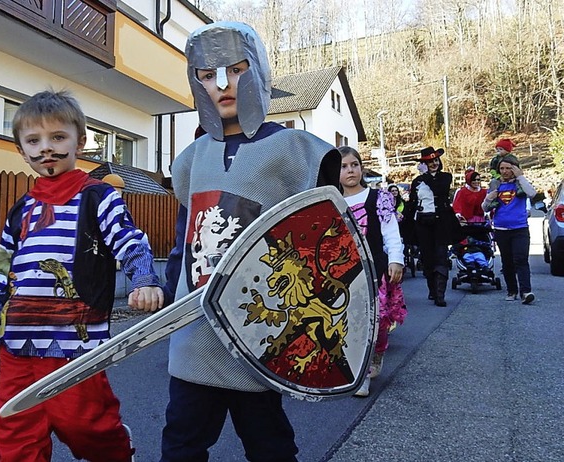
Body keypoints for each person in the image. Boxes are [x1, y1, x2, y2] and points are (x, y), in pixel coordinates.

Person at [160, 22, 341, 462]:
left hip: (260, 328)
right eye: (206, 75)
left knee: (269, 445)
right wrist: (167, 295)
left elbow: (323, 246)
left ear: (257, 71)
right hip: (195, 327)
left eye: (236, 69)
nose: (221, 85)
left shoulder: (295, 150)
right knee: (181, 443)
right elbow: (186, 240)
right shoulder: (190, 159)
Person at [0, 90, 164, 462]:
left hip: (74, 343)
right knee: (14, 432)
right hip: (19, 344)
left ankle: (117, 448)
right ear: (21, 150)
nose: (46, 148)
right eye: (34, 140)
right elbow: (4, 272)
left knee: (85, 427)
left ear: (81, 140)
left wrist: (144, 280)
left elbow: (130, 240)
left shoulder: (98, 197)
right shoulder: (20, 211)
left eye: (58, 137)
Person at [339, 147, 405, 397]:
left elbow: (390, 232)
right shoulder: (332, 201)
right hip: (345, 272)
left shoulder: (379, 198)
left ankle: (376, 355)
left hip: (376, 268)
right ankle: (360, 373)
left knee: (376, 321)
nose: (350, 170)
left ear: (361, 167)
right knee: (353, 323)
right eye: (343, 166)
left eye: (354, 164)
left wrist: (396, 260)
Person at [405, 146, 459, 307]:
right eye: (429, 162)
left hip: (440, 222)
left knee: (441, 256)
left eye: (436, 160)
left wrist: (426, 175)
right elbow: (413, 203)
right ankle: (433, 290)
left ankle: (440, 295)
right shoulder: (417, 181)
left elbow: (440, 190)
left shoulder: (445, 177)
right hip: (423, 222)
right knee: (427, 258)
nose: (434, 163)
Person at [482, 155, 537, 304]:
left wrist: (521, 177)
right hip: (501, 229)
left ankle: (525, 291)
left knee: (521, 259)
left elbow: (532, 193)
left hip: (520, 228)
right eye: (502, 168)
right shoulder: (495, 184)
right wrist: (489, 199)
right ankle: (512, 290)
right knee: (507, 262)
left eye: (508, 168)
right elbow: (485, 208)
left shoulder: (520, 184)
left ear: (515, 168)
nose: (505, 171)